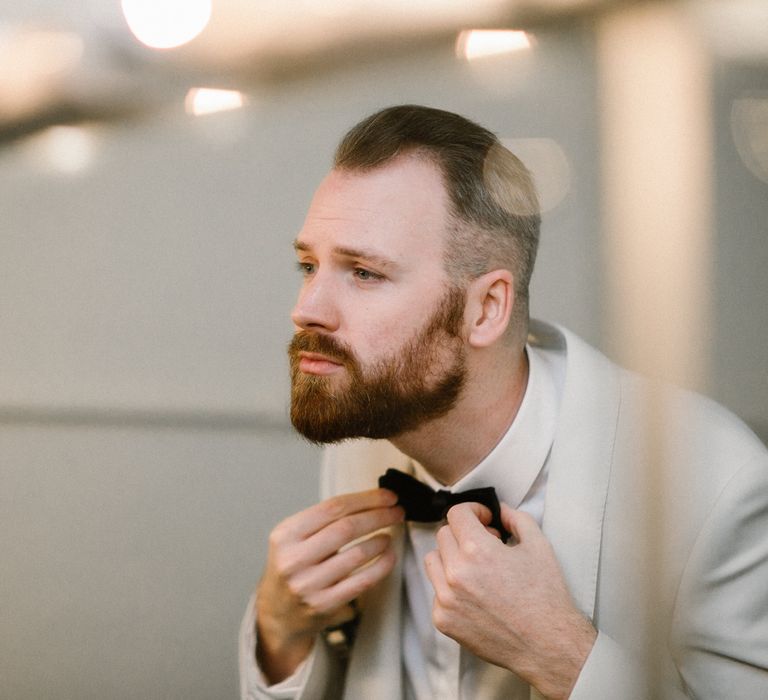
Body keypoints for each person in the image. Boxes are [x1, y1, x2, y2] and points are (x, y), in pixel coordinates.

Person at [239, 105, 768, 700]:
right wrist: (281, 634)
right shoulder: (369, 423)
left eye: (363, 272)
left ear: (486, 309)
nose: (306, 307)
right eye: (308, 264)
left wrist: (563, 657)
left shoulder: (716, 483)